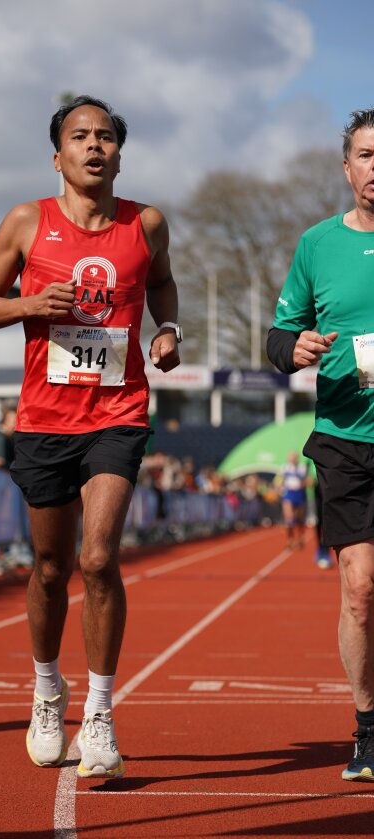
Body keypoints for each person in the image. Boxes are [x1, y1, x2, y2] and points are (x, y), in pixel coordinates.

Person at [0, 94, 181, 778]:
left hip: (118, 411)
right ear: (57, 156)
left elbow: (164, 283)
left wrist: (168, 330)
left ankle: (100, 713)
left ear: (119, 154)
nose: (94, 145)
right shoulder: (27, 221)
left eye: (106, 136)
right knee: (51, 567)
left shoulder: (146, 223)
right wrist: (29, 304)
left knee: (98, 558)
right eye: (80, 136)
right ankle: (46, 689)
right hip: (44, 418)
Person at [267, 108, 374, 782]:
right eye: (366, 155)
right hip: (344, 437)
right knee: (360, 588)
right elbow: (279, 337)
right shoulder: (316, 244)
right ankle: (368, 728)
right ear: (347, 168)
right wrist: (296, 348)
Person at [277, 450, 309, 549]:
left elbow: (308, 480)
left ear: (297, 458)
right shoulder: (284, 468)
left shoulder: (302, 468)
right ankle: (290, 539)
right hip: (289, 494)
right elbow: (278, 480)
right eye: (291, 457)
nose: (293, 459)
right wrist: (278, 487)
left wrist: (303, 484)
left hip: (300, 494)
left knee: (299, 519)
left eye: (294, 457)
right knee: (289, 517)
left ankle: (300, 538)